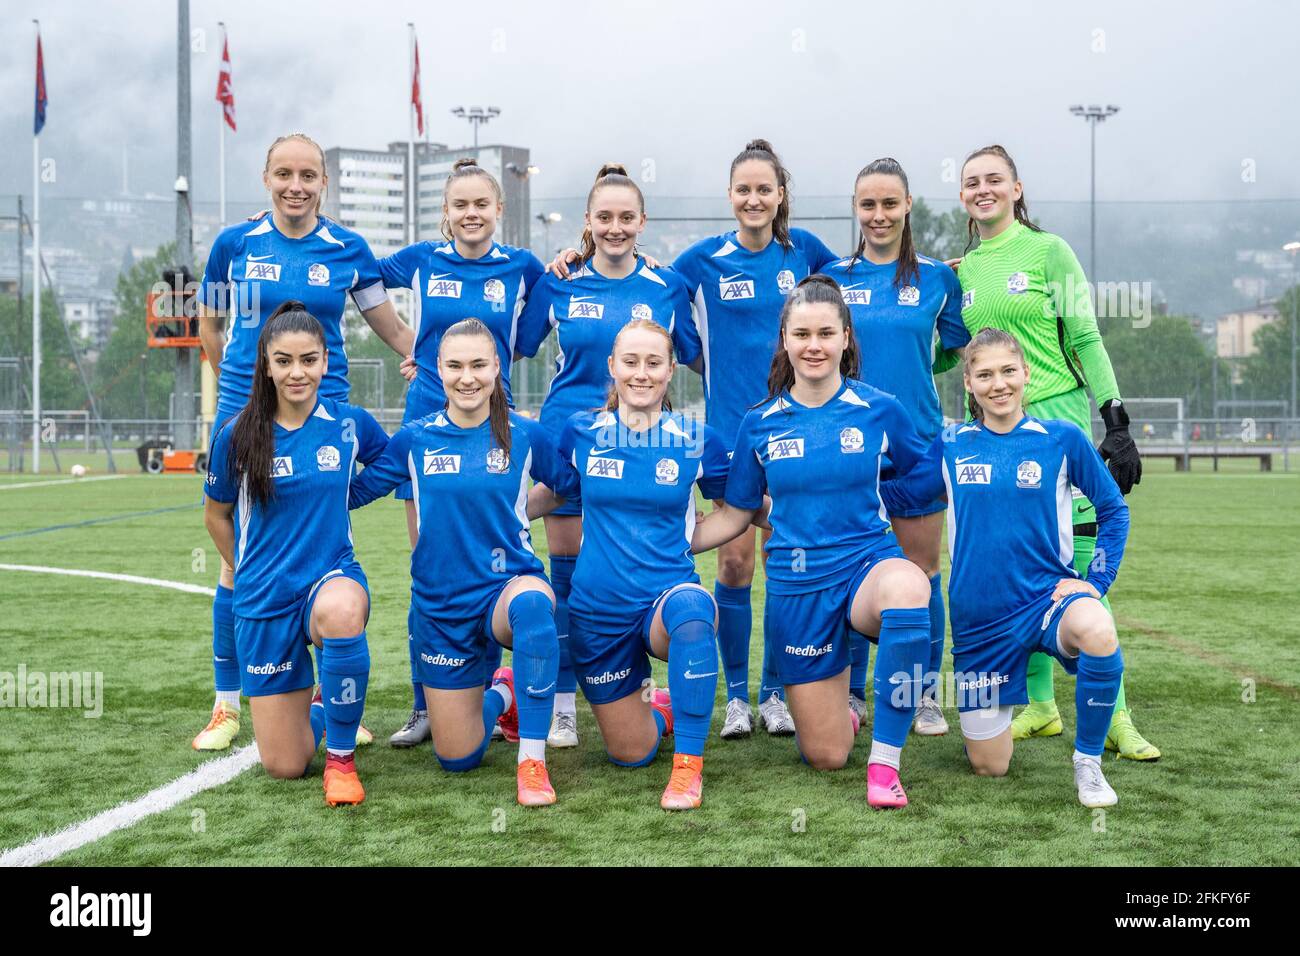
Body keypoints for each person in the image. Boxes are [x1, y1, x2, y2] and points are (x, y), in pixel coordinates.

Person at [194, 132, 413, 752]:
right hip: (248, 410)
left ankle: (326, 697)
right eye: (284, 173)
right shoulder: (234, 244)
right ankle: (226, 703)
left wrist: (432, 362)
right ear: (266, 178)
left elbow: (387, 323)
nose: (296, 185)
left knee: (322, 542)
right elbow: (209, 320)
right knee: (238, 559)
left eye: (309, 175)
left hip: (324, 405)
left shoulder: (347, 248)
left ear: (324, 183)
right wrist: (234, 382)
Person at [691, 276, 933, 809]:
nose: (814, 345)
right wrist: (668, 544)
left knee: (911, 588)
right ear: (785, 340)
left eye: (827, 332)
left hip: (867, 564)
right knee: (826, 755)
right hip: (799, 587)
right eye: (802, 333)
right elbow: (737, 512)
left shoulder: (880, 409)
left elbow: (929, 473)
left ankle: (886, 763)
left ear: (847, 337)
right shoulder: (758, 424)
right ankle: (833, 711)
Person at [954, 144, 1157, 760]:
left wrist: (1115, 419)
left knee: (1074, 578)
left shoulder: (1049, 252)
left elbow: (1087, 336)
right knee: (1018, 573)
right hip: (991, 443)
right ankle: (1040, 708)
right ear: (961, 195)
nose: (982, 189)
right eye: (971, 183)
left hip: (1057, 430)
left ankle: (1115, 716)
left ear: (1017, 188)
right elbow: (954, 352)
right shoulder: (963, 270)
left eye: (994, 179)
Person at [881, 328, 1129, 807]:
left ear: (1026, 375)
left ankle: (1089, 764)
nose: (999, 384)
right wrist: (842, 484)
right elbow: (907, 496)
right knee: (990, 766)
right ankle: (1008, 706)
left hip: (1045, 601)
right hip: (982, 623)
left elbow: (1113, 509)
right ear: (969, 384)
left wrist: (1095, 581)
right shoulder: (952, 444)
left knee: (1097, 629)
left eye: (1008, 372)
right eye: (986, 374)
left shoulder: (1060, 439)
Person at [347, 319, 580, 807]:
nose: (467, 377)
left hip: (505, 589)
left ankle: (532, 762)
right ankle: (504, 693)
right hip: (442, 607)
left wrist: (524, 509)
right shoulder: (414, 439)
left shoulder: (526, 434)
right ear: (438, 369)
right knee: (458, 757)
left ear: (498, 368)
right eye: (455, 365)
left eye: (478, 364)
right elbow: (356, 492)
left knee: (538, 606)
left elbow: (569, 485)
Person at [517, 163, 701, 751]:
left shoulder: (666, 286)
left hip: (642, 435)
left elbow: (694, 353)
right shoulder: (559, 281)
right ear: (588, 224)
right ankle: (563, 703)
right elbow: (514, 346)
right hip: (575, 443)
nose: (615, 227)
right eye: (604, 218)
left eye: (626, 217)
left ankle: (646, 692)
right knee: (573, 578)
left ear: (642, 222)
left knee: (630, 560)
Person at [670, 140, 840, 740]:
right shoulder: (702, 260)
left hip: (797, 431)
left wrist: (931, 269)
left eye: (764, 189)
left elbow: (860, 276)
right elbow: (648, 290)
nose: (754, 198)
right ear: (730, 196)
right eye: (743, 189)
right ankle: (736, 699)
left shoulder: (808, 254)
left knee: (787, 560)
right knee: (736, 561)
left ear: (781, 195)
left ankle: (775, 696)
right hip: (728, 437)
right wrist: (574, 255)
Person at [376, 157, 546, 749]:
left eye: (482, 205)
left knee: (494, 550)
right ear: (445, 214)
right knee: (428, 561)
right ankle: (426, 702)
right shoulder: (423, 259)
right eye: (460, 205)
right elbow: (355, 274)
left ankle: (499, 684)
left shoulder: (523, 267)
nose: (471, 214)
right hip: (428, 420)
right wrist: (409, 345)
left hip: (492, 419)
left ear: (499, 211)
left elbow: (526, 339)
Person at [203, 302, 388, 805]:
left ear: (326, 361)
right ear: (265, 364)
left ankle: (343, 761)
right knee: (285, 766)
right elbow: (216, 514)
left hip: (330, 578)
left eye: (308, 359)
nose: (297, 371)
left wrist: (347, 494)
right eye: (283, 361)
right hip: (264, 597)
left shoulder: (349, 424)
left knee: (343, 611)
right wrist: (243, 571)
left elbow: (391, 463)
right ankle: (326, 707)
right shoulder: (237, 434)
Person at [548, 319, 730, 809]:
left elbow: (738, 509)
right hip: (597, 612)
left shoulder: (696, 439)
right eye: (630, 362)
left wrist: (683, 545)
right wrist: (500, 519)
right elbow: (556, 491)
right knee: (632, 753)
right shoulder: (581, 431)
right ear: (612, 367)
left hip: (663, 602)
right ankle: (661, 710)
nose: (641, 373)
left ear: (672, 369)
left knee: (694, 612)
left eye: (654, 362)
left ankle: (689, 769)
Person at [822, 157, 970, 735]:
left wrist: (913, 375)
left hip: (919, 447)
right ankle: (853, 692)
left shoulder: (938, 278)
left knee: (921, 571)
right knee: (851, 567)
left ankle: (924, 692)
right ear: (855, 209)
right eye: (868, 204)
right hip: (847, 447)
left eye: (889, 203)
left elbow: (952, 348)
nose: (878, 215)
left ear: (908, 206)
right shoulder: (832, 277)